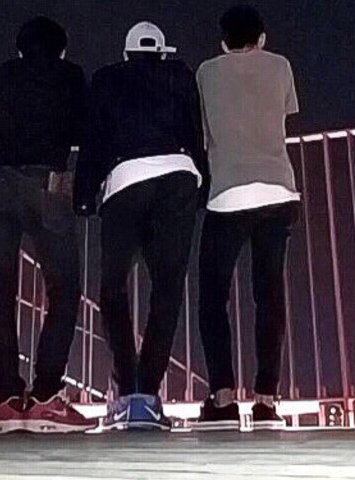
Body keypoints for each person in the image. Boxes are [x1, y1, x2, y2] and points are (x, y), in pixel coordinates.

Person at [74, 22, 205, 431]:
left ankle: (126, 386)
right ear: (162, 52)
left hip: (125, 181)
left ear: (127, 53)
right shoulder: (180, 75)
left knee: (112, 287)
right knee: (167, 289)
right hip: (179, 176)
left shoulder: (106, 79)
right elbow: (195, 132)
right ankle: (148, 394)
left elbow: (94, 139)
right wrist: (201, 184)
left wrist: (84, 193)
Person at [0, 16, 96, 434]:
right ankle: (46, 395)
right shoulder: (70, 74)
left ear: (20, 47)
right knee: (64, 289)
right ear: (62, 49)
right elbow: (86, 126)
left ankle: (6, 398)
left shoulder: (6, 72)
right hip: (48, 183)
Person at [194, 5, 300, 431]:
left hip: (227, 193)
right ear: (262, 38)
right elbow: (282, 116)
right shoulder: (281, 66)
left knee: (212, 298)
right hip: (278, 189)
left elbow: (205, 132)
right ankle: (266, 401)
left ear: (223, 42)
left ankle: (222, 398)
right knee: (269, 296)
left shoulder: (206, 72)